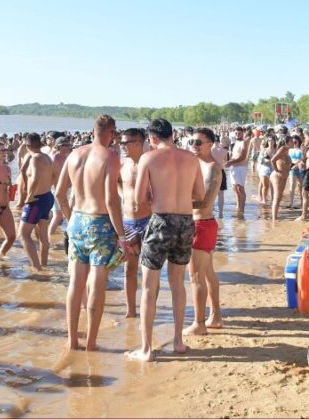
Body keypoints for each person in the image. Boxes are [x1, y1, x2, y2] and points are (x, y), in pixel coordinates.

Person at [127, 118, 204, 362]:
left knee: (149, 287)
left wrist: (157, 196)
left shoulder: (148, 158)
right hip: (185, 222)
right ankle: (178, 341)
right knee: (178, 283)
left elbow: (138, 199)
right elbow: (199, 194)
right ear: (172, 134)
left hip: (160, 221)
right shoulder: (191, 158)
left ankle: (146, 349)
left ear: (152, 139)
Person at [55, 115, 127, 351]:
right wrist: (122, 237)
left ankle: (72, 340)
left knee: (75, 283)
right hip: (100, 222)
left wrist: (70, 220)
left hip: (77, 220)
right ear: (112, 133)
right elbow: (111, 201)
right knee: (96, 284)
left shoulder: (74, 154)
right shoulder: (110, 157)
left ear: (92, 130)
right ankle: (91, 343)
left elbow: (59, 193)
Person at [184, 128, 224, 336]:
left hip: (201, 224)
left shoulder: (212, 168)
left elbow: (204, 202)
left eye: (198, 142)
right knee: (208, 273)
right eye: (191, 141)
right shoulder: (195, 165)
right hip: (202, 224)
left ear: (210, 144)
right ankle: (215, 316)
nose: (194, 145)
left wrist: (174, 201)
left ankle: (199, 323)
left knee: (196, 277)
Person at [118, 127, 149, 318]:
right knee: (129, 268)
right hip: (128, 222)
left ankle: (147, 310)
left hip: (148, 221)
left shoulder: (149, 163)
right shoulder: (121, 164)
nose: (122, 146)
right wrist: (124, 197)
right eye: (121, 143)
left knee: (149, 271)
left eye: (126, 143)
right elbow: (117, 183)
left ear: (139, 143)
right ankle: (131, 311)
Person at [17, 132, 55, 271]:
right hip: (47, 196)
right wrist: (47, 187)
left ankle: (36, 268)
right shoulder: (47, 157)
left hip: (36, 200)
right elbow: (55, 175)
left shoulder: (35, 159)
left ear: (27, 145)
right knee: (42, 235)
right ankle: (43, 264)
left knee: (23, 234)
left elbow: (35, 178)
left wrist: (29, 196)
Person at [224, 126, 249, 218]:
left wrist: (230, 162)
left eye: (239, 133)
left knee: (240, 188)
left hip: (241, 167)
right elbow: (234, 155)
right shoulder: (235, 142)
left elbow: (242, 157)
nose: (237, 135)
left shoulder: (244, 143)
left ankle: (242, 208)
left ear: (242, 133)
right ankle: (238, 206)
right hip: (234, 167)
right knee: (234, 188)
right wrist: (229, 161)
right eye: (236, 133)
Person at [269, 136, 291, 216]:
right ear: (286, 142)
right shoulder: (282, 149)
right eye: (291, 141)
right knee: (277, 197)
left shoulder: (287, 150)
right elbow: (272, 160)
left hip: (283, 177)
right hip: (278, 177)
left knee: (279, 197)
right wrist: (277, 170)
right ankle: (274, 220)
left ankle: (275, 217)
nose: (293, 143)